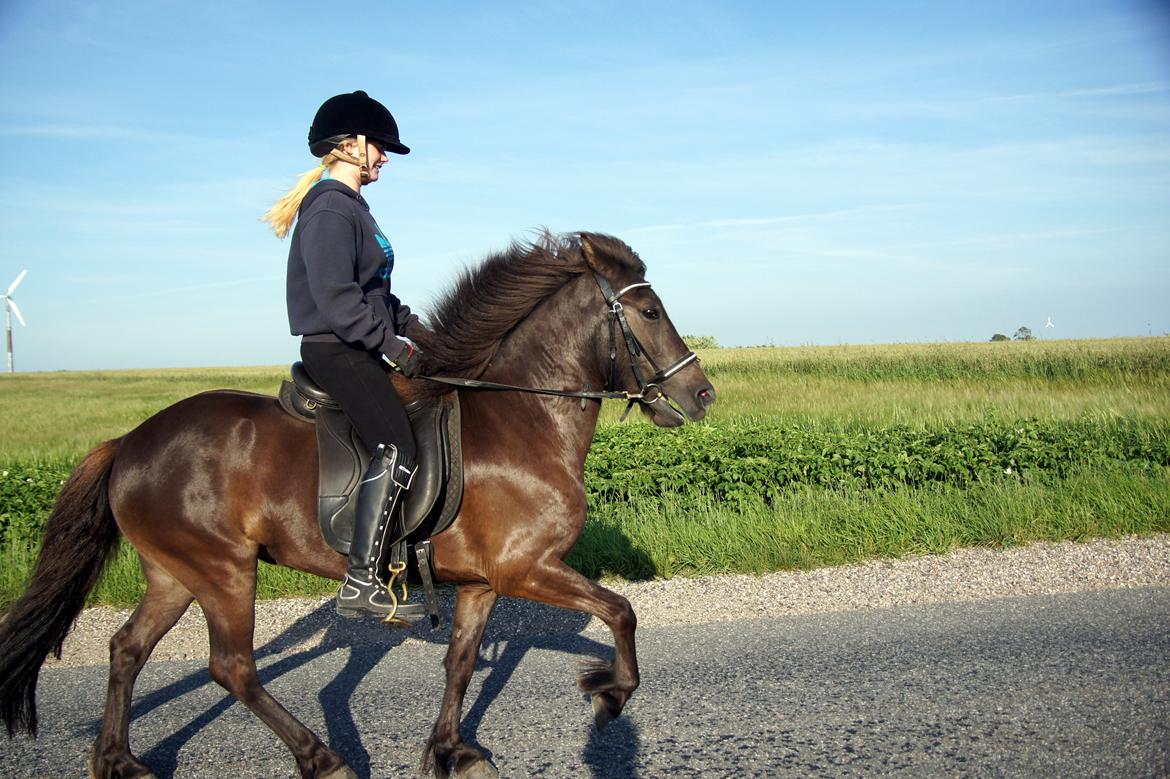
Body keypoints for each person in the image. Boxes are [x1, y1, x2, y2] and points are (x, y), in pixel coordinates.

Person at [264, 90, 423, 619]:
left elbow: (377, 293)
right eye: (379, 147)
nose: (383, 158)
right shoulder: (331, 208)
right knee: (398, 444)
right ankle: (360, 580)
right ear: (350, 146)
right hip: (338, 348)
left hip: (359, 341)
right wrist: (393, 348)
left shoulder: (354, 207)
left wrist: (421, 331)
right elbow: (338, 300)